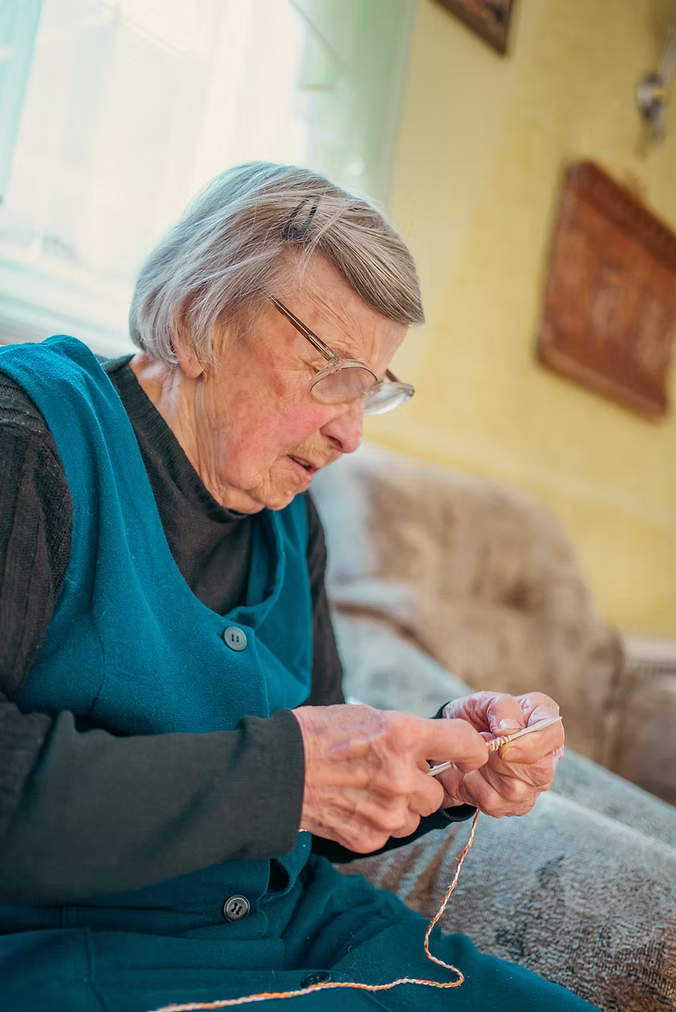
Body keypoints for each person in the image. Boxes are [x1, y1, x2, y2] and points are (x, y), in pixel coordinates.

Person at [0, 162, 595, 1011]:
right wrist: (291, 780)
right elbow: (287, 778)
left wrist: (432, 766)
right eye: (331, 373)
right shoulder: (27, 440)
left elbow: (316, 792)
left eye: (374, 391)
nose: (351, 433)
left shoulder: (287, 513)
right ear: (192, 322)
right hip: (81, 953)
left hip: (303, 931)